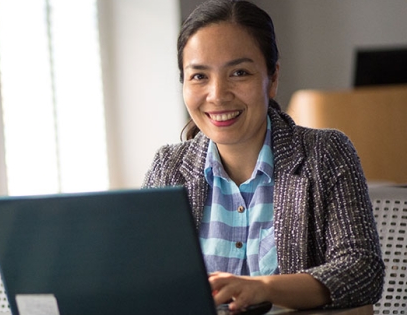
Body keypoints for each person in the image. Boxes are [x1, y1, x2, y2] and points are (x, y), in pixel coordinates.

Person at [142, 0, 384, 311]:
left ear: (272, 78)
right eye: (199, 76)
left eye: (239, 72)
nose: (217, 94)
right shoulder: (169, 168)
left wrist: (263, 288)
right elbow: (144, 280)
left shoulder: (325, 154)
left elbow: (362, 271)